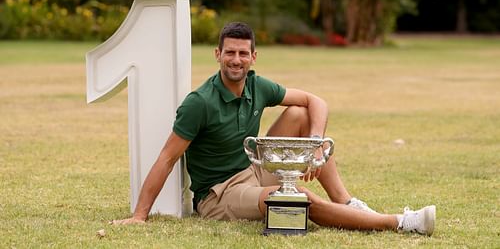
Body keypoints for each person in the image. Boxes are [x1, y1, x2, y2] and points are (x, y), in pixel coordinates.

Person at [112, 22, 436, 235]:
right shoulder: (200, 102)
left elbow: (315, 101)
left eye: (242, 53)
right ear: (217, 55)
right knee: (296, 197)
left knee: (299, 113)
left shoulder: (257, 85)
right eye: (229, 53)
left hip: (253, 168)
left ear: (253, 56)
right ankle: (400, 222)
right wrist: (141, 214)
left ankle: (347, 203)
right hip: (220, 193)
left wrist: (315, 143)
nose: (236, 60)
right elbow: (167, 158)